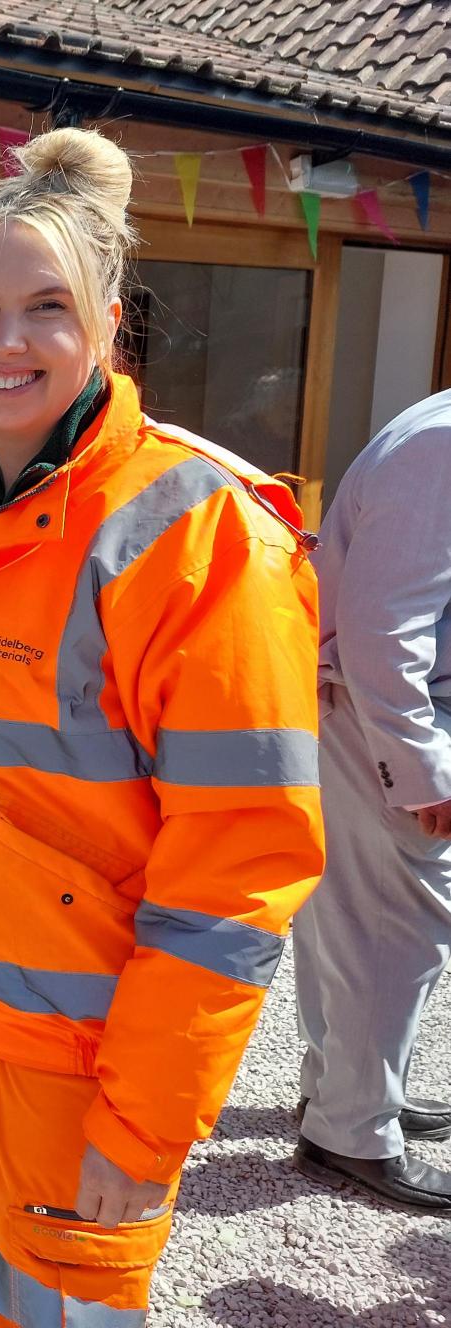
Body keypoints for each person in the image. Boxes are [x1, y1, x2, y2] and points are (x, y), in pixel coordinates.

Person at [0, 128, 324, 1325]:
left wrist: (145, 1121)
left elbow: (239, 870)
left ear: (110, 320)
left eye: (48, 307)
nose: (9, 342)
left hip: (77, 1070)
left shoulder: (196, 535)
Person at [293, 387, 451, 1212]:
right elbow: (384, 629)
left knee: (352, 920)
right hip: (377, 718)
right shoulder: (445, 445)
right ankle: (351, 1130)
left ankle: (345, 1094)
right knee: (397, 927)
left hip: (367, 713)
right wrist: (419, 766)